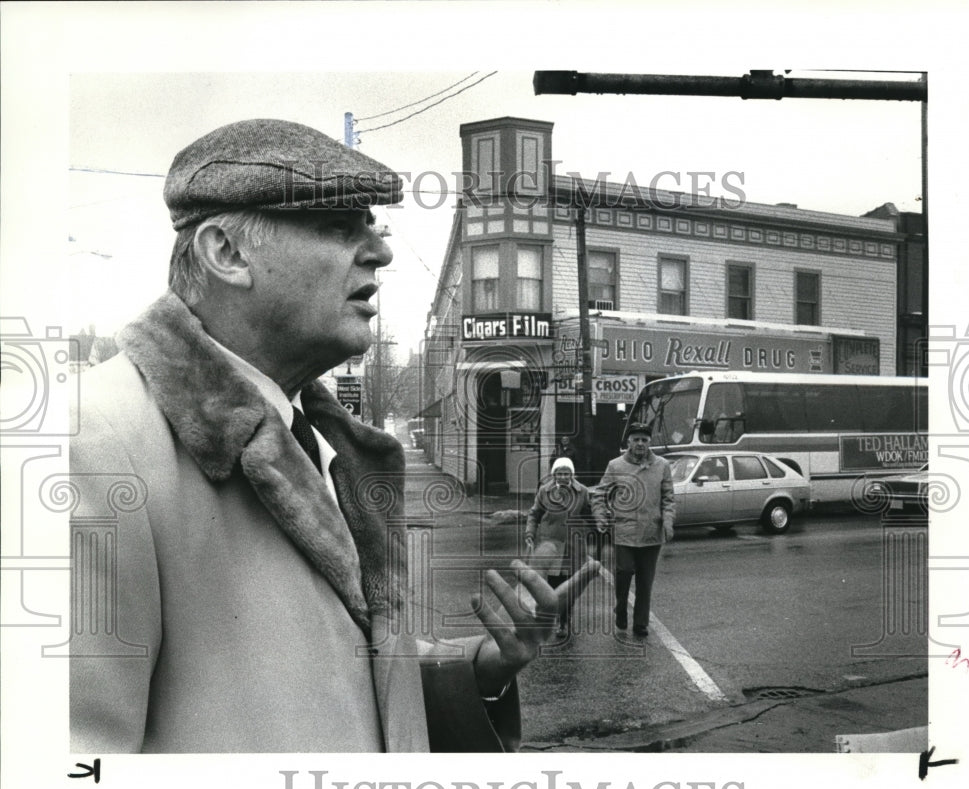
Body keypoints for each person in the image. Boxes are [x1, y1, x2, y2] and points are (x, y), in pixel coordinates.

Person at [68, 118, 598, 753]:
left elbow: (345, 685)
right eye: (339, 228)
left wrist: (484, 664)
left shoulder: (324, 445)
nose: (380, 251)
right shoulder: (89, 447)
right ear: (227, 253)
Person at [590, 422, 675, 638]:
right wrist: (600, 517)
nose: (640, 443)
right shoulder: (615, 466)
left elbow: (668, 498)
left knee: (645, 582)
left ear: (649, 442)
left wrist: (668, 521)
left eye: (644, 440)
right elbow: (599, 495)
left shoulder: (662, 465)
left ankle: (640, 624)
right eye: (636, 439)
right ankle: (620, 608)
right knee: (624, 572)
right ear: (628, 442)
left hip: (651, 534)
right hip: (624, 532)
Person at [525, 457, 593, 638]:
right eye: (559, 473)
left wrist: (601, 524)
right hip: (551, 544)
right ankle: (552, 618)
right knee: (553, 584)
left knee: (569, 585)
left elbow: (589, 513)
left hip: (573, 545)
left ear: (572, 474)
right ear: (554, 474)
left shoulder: (582, 491)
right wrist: (530, 533)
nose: (563, 477)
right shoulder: (544, 491)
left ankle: (564, 620)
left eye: (566, 473)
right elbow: (534, 514)